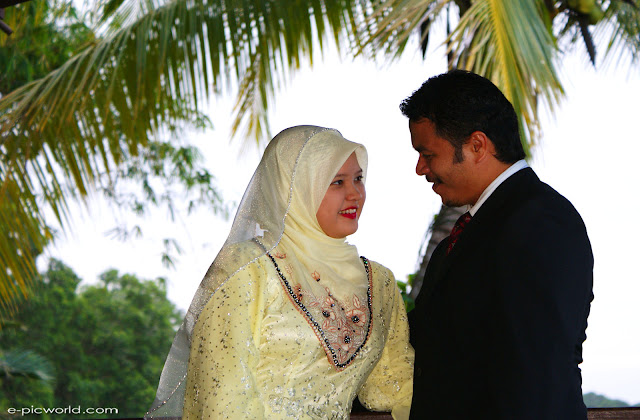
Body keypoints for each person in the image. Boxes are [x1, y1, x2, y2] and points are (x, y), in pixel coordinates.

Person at [145, 125, 413, 420]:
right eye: (336, 182)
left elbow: (389, 388)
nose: (355, 194)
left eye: (358, 179)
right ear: (293, 188)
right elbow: (221, 399)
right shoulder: (247, 268)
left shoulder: (379, 282)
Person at [403, 70, 593, 419]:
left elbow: (538, 375)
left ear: (477, 146)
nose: (420, 168)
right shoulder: (467, 236)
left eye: (427, 154)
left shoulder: (539, 222)